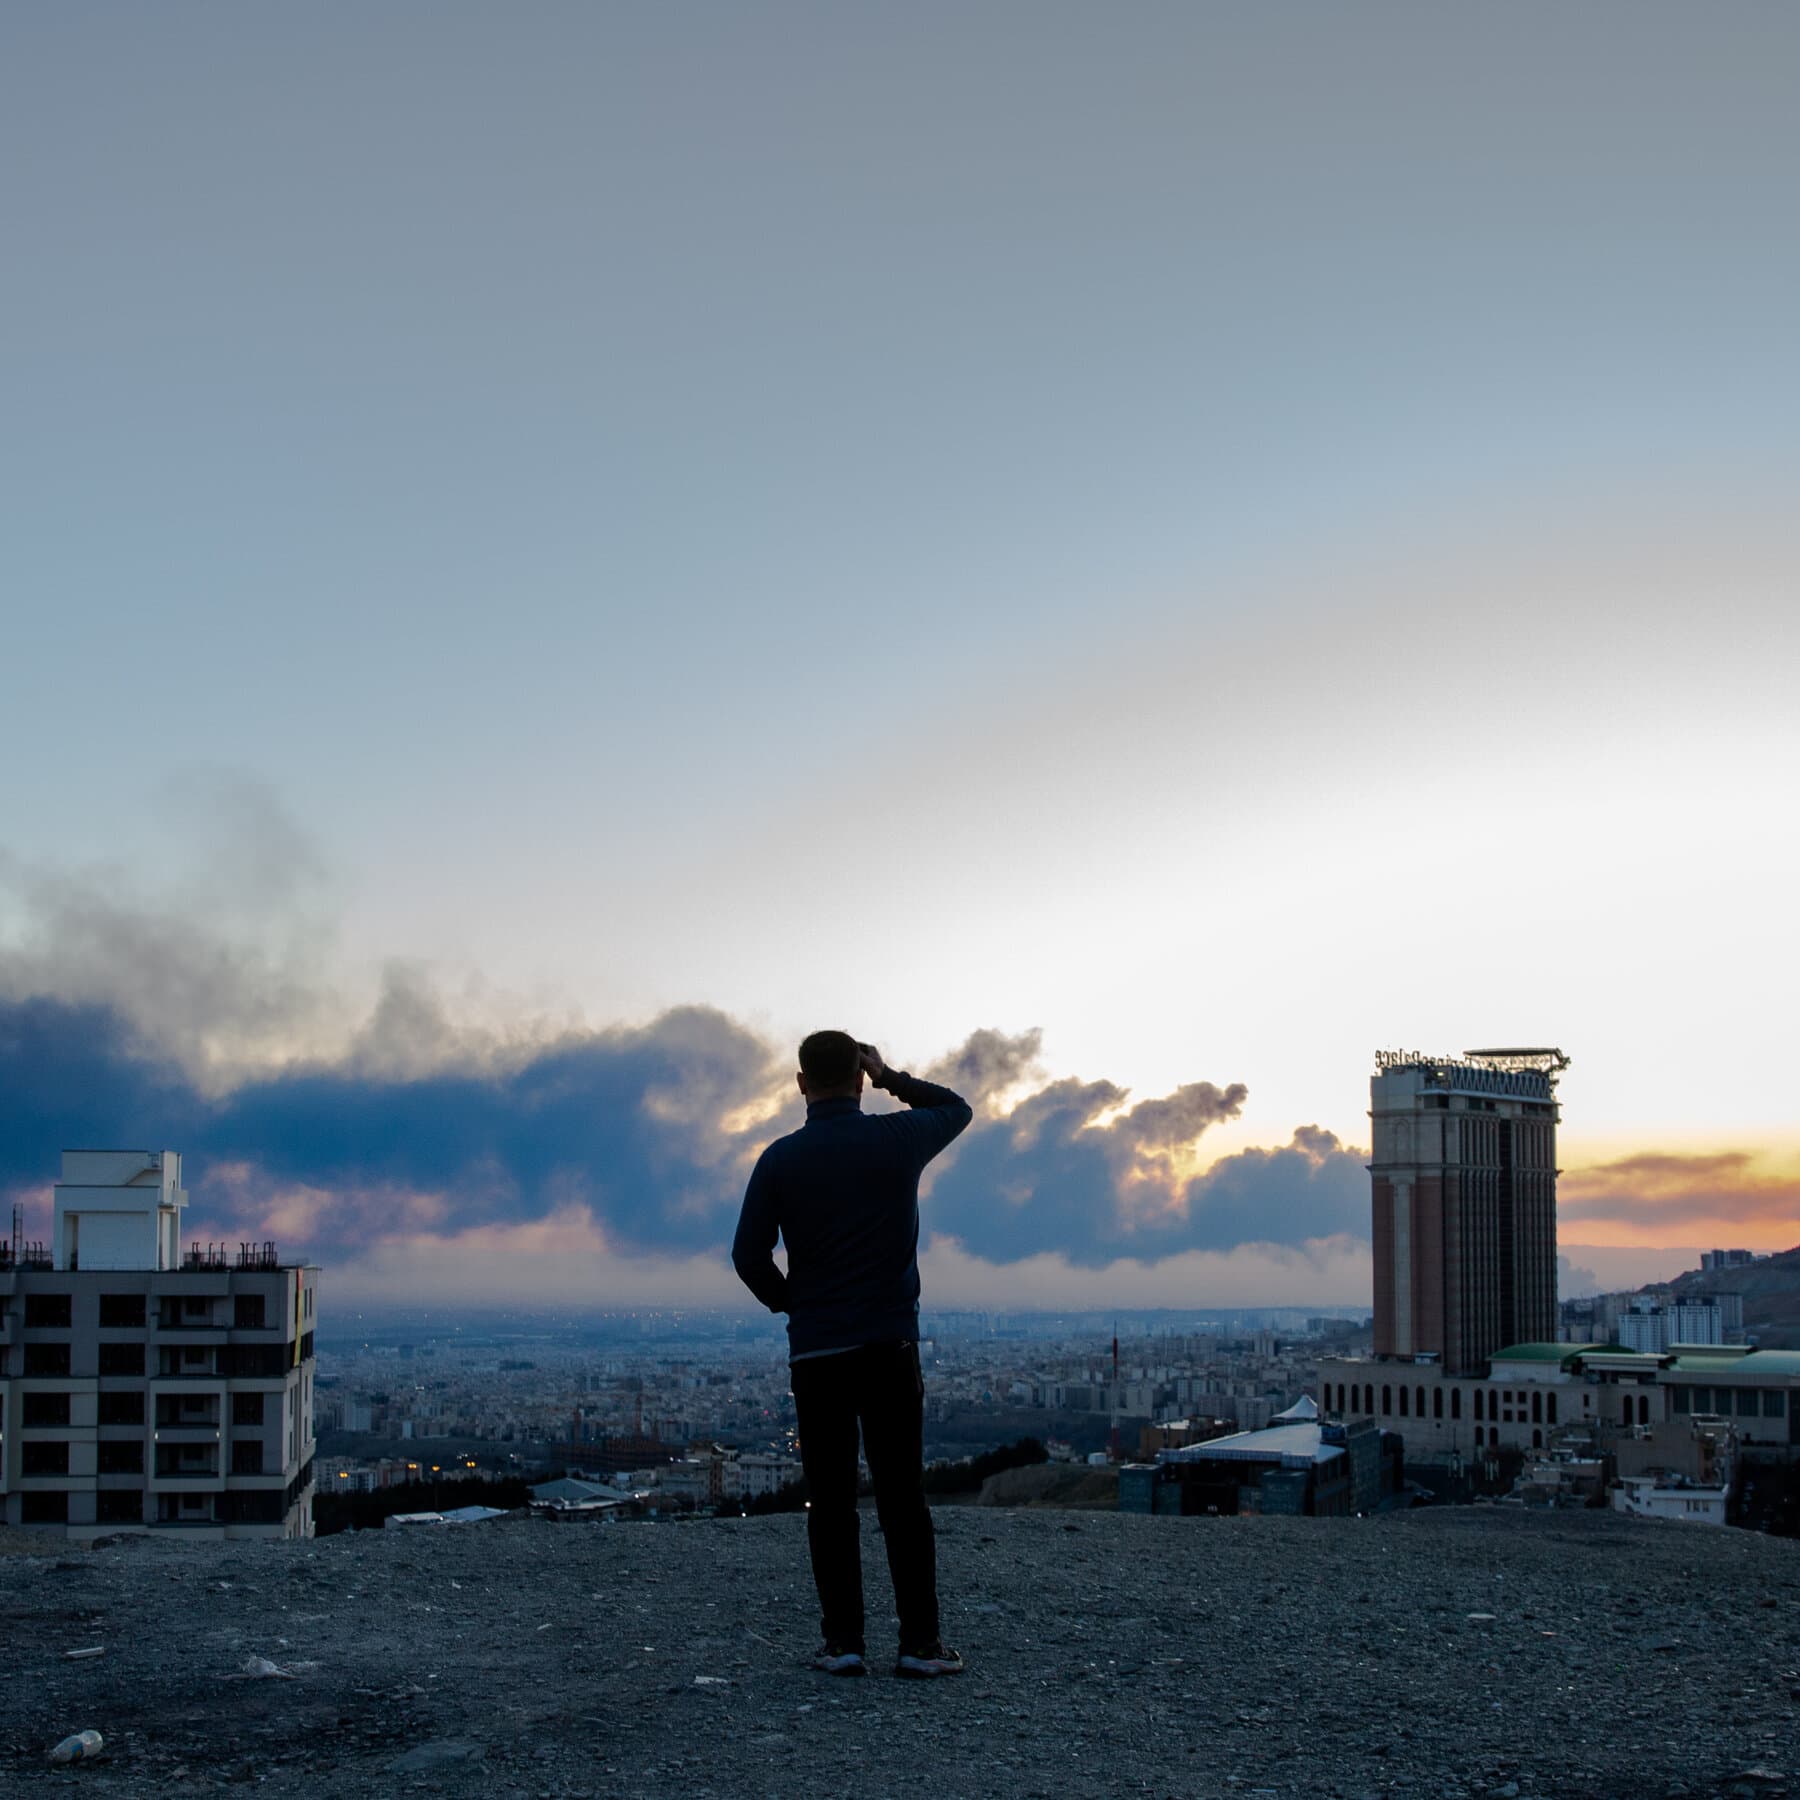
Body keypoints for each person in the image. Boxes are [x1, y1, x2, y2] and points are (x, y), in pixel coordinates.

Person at [732, 1029, 973, 1679]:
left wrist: (793, 1305)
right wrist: (892, 1073)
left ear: (801, 1083)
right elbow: (955, 1108)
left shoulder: (780, 1159)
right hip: (889, 1345)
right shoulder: (897, 1141)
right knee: (902, 1497)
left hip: (819, 1353)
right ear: (860, 1078)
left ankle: (843, 1644)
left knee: (831, 1501)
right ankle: (920, 1644)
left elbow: (747, 1257)